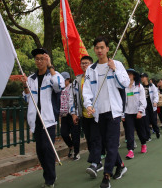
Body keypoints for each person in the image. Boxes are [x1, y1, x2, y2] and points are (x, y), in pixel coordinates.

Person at [83, 36, 130, 188]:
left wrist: (114, 69)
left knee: (111, 145)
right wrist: (88, 105)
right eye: (97, 48)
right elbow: (87, 90)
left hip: (113, 112)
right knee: (106, 144)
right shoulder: (91, 70)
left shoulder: (116, 64)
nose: (99, 50)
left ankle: (106, 176)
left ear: (108, 49)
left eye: (102, 47)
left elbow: (124, 83)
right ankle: (121, 166)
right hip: (99, 113)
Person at [22, 48, 65, 188]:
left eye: (42, 58)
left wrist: (51, 66)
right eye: (37, 59)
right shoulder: (31, 78)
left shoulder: (53, 75)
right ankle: (48, 174)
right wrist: (25, 86)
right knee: (40, 150)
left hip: (48, 119)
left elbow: (59, 86)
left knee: (48, 149)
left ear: (47, 60)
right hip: (35, 120)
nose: (39, 61)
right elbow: (27, 98)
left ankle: (50, 179)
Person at [69, 56, 104, 174]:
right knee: (89, 139)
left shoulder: (97, 76)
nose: (85, 65)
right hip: (84, 114)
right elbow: (72, 98)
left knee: (95, 138)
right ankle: (97, 161)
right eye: (83, 63)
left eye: (87, 63)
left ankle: (95, 163)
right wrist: (74, 113)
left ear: (91, 64)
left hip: (95, 114)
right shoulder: (77, 80)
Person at [123, 69, 147, 159]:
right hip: (128, 113)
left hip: (138, 113)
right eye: (126, 74)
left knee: (140, 131)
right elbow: (122, 101)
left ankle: (143, 144)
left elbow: (143, 100)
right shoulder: (124, 87)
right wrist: (122, 114)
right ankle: (130, 150)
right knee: (129, 132)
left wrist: (140, 111)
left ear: (133, 76)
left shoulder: (139, 86)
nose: (128, 76)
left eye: (129, 74)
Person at [59, 72, 81, 161]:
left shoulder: (73, 87)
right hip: (64, 114)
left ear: (68, 79)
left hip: (74, 114)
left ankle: (76, 152)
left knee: (75, 134)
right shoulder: (60, 89)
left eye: (64, 80)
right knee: (64, 133)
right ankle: (71, 146)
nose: (62, 82)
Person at [141, 73, 160, 139]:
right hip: (144, 106)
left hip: (151, 105)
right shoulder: (140, 86)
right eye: (141, 77)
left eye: (143, 77)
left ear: (146, 78)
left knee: (153, 121)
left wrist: (155, 102)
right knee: (146, 122)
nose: (142, 78)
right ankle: (148, 136)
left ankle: (157, 131)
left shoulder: (152, 86)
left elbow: (156, 95)